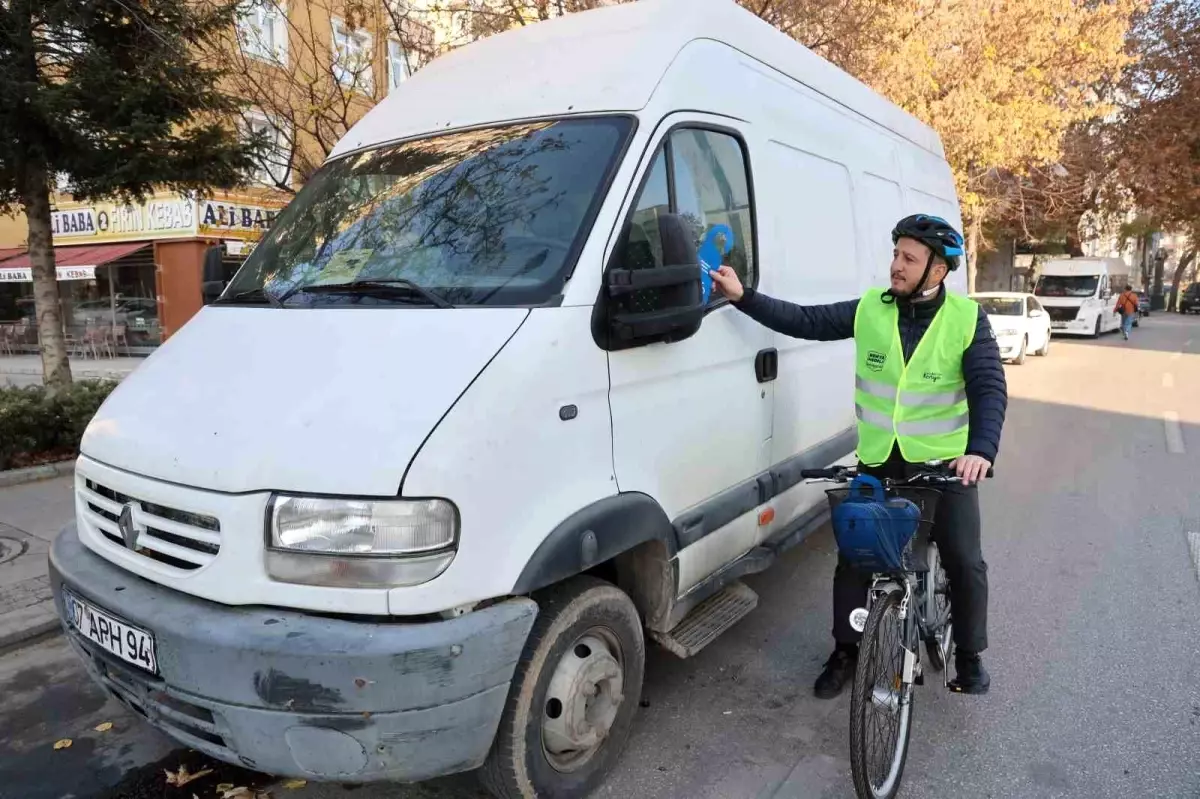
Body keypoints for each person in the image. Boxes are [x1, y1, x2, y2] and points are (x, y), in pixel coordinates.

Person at [709, 214, 1007, 697]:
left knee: (965, 562)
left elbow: (990, 388)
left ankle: (969, 656)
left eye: (909, 258)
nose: (896, 265)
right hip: (880, 463)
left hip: (945, 468)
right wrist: (744, 297)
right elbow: (805, 321)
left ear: (938, 269)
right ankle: (846, 650)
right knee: (855, 560)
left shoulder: (967, 320)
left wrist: (980, 450)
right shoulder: (872, 308)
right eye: (895, 254)